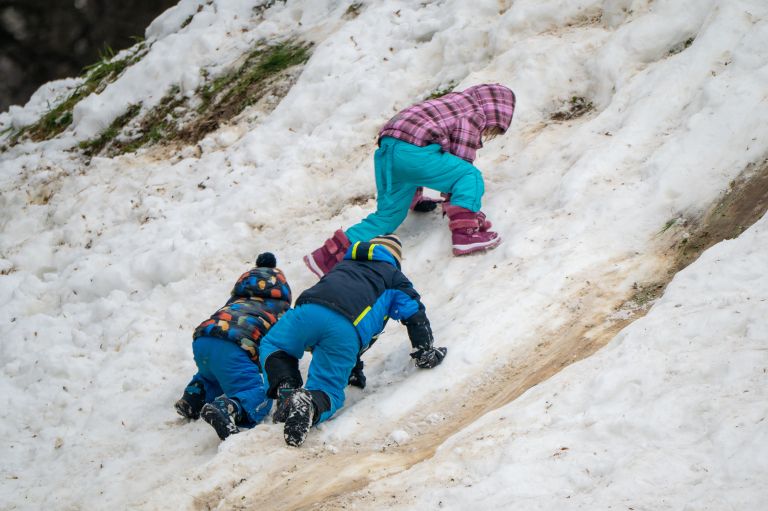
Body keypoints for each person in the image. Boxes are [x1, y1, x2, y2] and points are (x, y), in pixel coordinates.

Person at [304, 83, 516, 278]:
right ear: (494, 109)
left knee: (387, 217)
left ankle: (327, 257)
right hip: (411, 153)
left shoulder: (449, 102)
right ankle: (466, 235)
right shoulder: (474, 113)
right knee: (469, 176)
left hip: (387, 152)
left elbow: (425, 148)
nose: (487, 132)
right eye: (492, 129)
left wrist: (416, 197)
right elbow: (460, 162)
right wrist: (463, 208)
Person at [259, 234, 447, 447]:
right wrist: (425, 351)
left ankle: (286, 387)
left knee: (274, 345)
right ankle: (309, 404)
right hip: (345, 330)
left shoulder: (343, 265)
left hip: (307, 311)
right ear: (395, 259)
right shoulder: (394, 277)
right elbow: (413, 312)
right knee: (327, 388)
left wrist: (354, 369)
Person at [174, 252, 292, 440]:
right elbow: (287, 342)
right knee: (258, 393)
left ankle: (193, 397)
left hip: (203, 338)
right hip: (235, 346)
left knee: (214, 374)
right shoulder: (281, 310)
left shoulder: (237, 300)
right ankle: (228, 408)